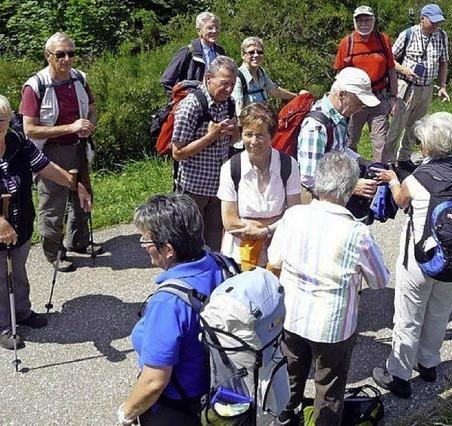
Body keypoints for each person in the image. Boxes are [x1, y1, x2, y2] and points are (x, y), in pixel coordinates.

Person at [268, 152, 389, 425]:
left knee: (291, 372)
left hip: (292, 316)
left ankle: (285, 415)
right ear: (349, 189)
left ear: (319, 183)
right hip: (333, 326)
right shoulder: (357, 233)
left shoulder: (293, 216)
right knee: (329, 386)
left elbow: (274, 260)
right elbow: (380, 281)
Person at [370, 112, 452, 397]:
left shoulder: (420, 178)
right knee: (439, 310)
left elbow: (399, 200)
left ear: (427, 147)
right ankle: (429, 364)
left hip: (420, 260)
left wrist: (394, 179)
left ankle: (399, 375)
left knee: (408, 315)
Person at [118, 194, 226, 425]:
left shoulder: (169, 303)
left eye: (146, 241)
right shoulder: (219, 262)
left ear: (168, 249)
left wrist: (127, 413)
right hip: (217, 391)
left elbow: (154, 382)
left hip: (180, 407)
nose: (145, 247)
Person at [0, 94, 92, 350]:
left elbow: (44, 166)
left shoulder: (16, 140)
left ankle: (23, 311)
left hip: (20, 221)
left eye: (2, 119)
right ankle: (4, 325)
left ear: (9, 120)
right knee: (0, 277)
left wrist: (76, 186)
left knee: (17, 269)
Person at [20, 32, 102, 273]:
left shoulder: (79, 78)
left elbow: (93, 109)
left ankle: (78, 241)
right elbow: (29, 129)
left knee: (83, 196)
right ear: (48, 56)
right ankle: (54, 253)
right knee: (53, 204)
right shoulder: (35, 86)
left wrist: (89, 125)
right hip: (50, 152)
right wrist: (72, 126)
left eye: (71, 53)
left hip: (79, 147)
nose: (67, 59)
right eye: (60, 54)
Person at [217, 103, 301, 270]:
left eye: (260, 135)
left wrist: (265, 230)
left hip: (278, 250)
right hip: (240, 252)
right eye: (248, 134)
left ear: (272, 136)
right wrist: (269, 225)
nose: (254, 141)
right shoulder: (231, 168)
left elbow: (295, 215)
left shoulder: (289, 165)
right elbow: (230, 222)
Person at [172, 56, 239, 252]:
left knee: (215, 244)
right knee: (191, 244)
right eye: (224, 83)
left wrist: (233, 131)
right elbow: (178, 152)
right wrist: (211, 136)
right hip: (194, 188)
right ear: (208, 78)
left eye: (232, 84)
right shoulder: (190, 106)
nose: (228, 89)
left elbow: (232, 141)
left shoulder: (229, 103)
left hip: (219, 187)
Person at [382, 3, 450, 172]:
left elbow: (443, 63)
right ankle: (388, 161)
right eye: (432, 21)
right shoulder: (408, 34)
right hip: (406, 87)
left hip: (427, 88)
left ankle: (404, 158)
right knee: (397, 125)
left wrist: (442, 86)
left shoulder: (442, 36)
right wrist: (405, 70)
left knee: (416, 126)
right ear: (422, 19)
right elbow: (390, 60)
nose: (435, 25)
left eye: (438, 22)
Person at [297, 67, 380, 204]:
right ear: (342, 95)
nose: (360, 108)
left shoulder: (337, 117)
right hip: (316, 203)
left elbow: (339, 148)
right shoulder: (316, 127)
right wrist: (352, 187)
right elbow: (309, 178)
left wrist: (363, 161)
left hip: (333, 196)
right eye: (358, 102)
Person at [334, 5, 398, 162]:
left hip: (379, 97)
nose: (364, 24)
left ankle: (380, 176)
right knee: (349, 141)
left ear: (374, 21)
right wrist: (338, 103)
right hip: (354, 100)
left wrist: (394, 97)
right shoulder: (346, 43)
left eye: (367, 20)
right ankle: (352, 175)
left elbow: (391, 69)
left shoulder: (383, 40)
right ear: (354, 22)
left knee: (380, 142)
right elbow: (339, 76)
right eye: (360, 20)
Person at [232, 36, 307, 113]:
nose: (256, 55)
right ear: (242, 55)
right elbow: (238, 108)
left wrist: (297, 96)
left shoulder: (261, 71)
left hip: (263, 119)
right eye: (251, 52)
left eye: (259, 52)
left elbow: (274, 91)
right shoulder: (238, 77)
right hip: (249, 122)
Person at [160, 12, 226, 94]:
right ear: (199, 31)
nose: (214, 31)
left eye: (217, 28)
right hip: (192, 103)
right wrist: (182, 98)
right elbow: (166, 81)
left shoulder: (220, 52)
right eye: (210, 28)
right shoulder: (187, 52)